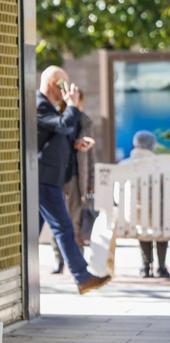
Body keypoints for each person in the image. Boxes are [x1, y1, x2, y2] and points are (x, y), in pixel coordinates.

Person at [37, 65, 111, 295]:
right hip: (44, 178)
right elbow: (62, 125)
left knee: (31, 233)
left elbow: (56, 136)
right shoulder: (39, 104)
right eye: (63, 85)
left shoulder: (49, 107)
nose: (67, 90)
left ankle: (80, 277)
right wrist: (72, 106)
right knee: (64, 227)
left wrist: (75, 144)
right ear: (53, 84)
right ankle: (82, 276)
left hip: (50, 178)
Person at [51, 91, 96, 274]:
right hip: (58, 177)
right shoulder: (57, 118)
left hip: (78, 177)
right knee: (57, 220)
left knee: (76, 220)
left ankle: (78, 259)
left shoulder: (85, 121)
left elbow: (91, 154)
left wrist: (91, 180)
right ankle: (59, 259)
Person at [126, 131, 170, 278]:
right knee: (161, 225)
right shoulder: (160, 165)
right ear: (152, 145)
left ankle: (146, 266)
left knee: (143, 227)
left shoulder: (125, 164)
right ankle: (162, 266)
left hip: (133, 216)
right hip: (159, 214)